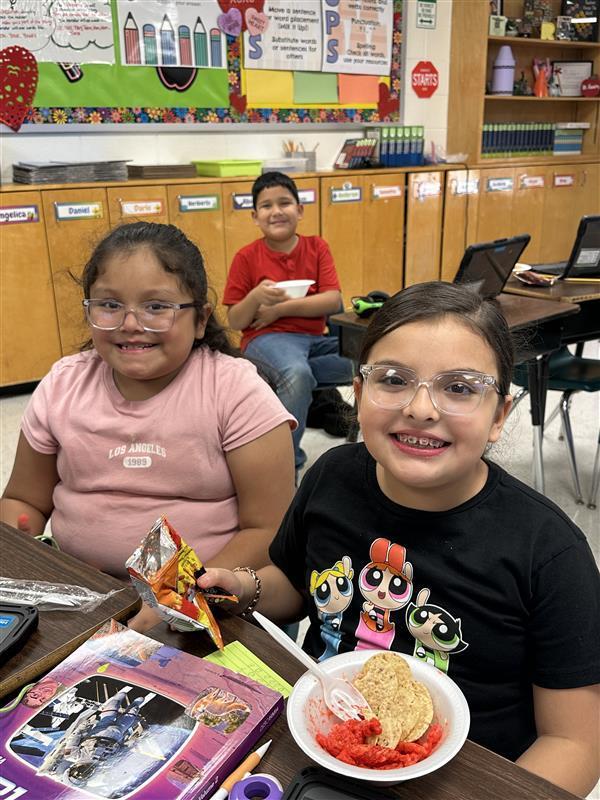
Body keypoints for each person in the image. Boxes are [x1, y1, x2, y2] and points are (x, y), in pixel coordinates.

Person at [196, 282, 600, 796]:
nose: (421, 409)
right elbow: (296, 586)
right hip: (322, 744)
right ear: (359, 393)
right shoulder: (332, 478)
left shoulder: (549, 551)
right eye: (393, 380)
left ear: (499, 415)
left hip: (466, 780)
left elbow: (576, 742)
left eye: (460, 388)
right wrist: (245, 587)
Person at [0, 222, 295, 631]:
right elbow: (24, 501)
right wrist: (26, 554)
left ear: (199, 320)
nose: (130, 323)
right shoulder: (64, 385)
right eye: (110, 304)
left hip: (206, 605)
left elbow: (270, 529)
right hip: (82, 599)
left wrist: (174, 597)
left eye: (156, 307)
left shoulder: (235, 391)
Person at [223, 171, 353, 474]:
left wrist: (279, 310)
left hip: (315, 340)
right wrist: (255, 296)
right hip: (266, 340)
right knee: (296, 374)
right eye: (266, 206)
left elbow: (332, 300)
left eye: (284, 203)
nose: (276, 211)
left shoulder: (317, 247)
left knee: (368, 360)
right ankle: (285, 465)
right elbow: (236, 319)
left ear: (300, 209)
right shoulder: (246, 257)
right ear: (255, 216)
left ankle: (299, 386)